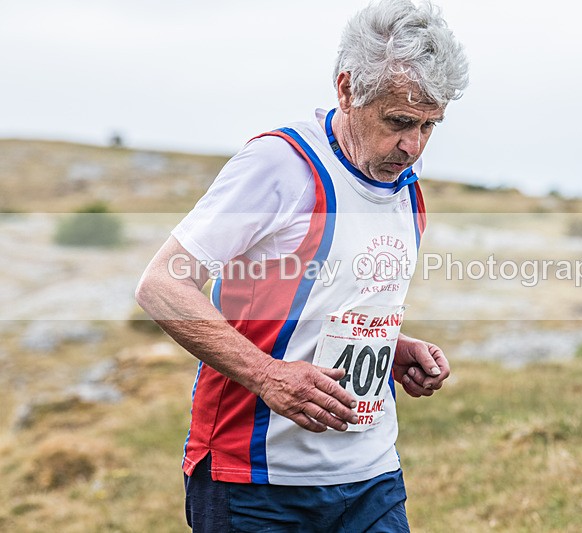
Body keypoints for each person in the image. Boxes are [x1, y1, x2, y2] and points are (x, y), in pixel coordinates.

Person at [135, 0, 468, 530]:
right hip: (255, 481)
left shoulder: (407, 183)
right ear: (346, 89)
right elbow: (160, 285)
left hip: (371, 474)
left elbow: (333, 302)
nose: (413, 146)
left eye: (431, 125)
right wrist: (268, 375)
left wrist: (392, 348)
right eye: (400, 122)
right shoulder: (279, 165)